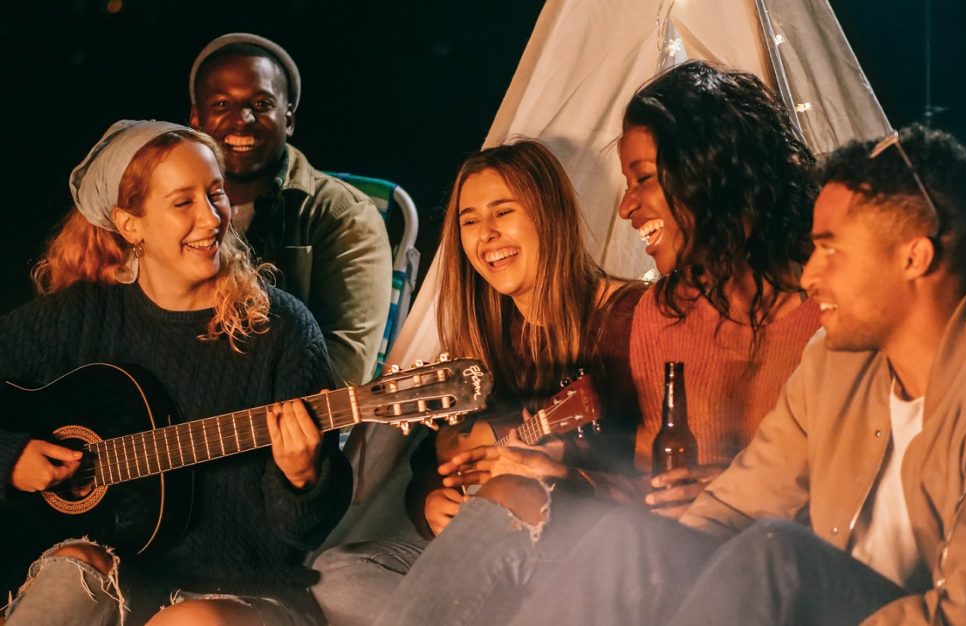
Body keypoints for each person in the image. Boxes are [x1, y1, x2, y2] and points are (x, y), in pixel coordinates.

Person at [387, 121, 966, 625]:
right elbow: (725, 510)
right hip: (786, 598)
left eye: (830, 249)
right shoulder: (835, 361)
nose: (809, 273)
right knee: (635, 543)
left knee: (778, 554)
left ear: (914, 256)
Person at [368, 60, 823, 625]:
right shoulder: (664, 315)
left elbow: (869, 501)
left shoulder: (831, 318)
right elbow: (640, 490)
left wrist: (744, 497)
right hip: (651, 552)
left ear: (712, 170)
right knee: (348, 573)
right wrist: (556, 476)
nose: (626, 206)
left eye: (644, 179)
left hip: (765, 569)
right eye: (468, 221)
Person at [0, 120, 351, 626]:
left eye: (215, 195)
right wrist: (10, 457)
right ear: (131, 224)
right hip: (127, 580)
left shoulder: (282, 328)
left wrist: (302, 477)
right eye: (182, 202)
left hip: (246, 596)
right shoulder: (84, 316)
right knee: (69, 568)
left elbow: (303, 533)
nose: (211, 219)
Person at [312, 139, 645, 625]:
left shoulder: (627, 318)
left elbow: (662, 479)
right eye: (470, 221)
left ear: (548, 215)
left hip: (578, 565)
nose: (486, 235)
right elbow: (437, 461)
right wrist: (431, 502)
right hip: (489, 573)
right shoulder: (489, 336)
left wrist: (566, 477)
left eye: (503, 212)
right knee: (335, 572)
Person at [189, 33, 392, 386]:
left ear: (290, 119)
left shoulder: (343, 215)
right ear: (196, 118)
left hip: (273, 427)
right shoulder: (168, 206)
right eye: (222, 104)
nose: (243, 120)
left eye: (262, 103)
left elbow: (345, 366)